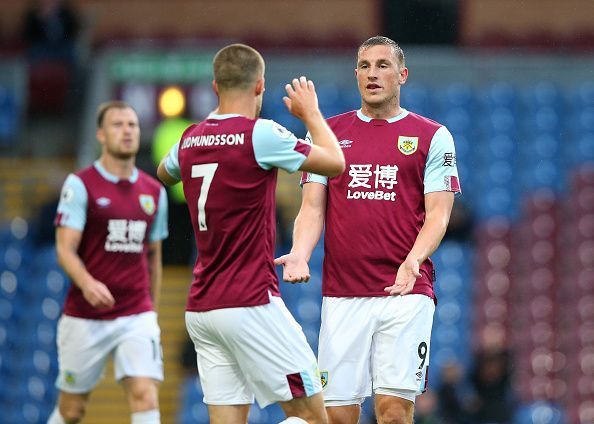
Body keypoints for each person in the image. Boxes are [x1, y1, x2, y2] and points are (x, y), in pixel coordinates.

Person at [275, 36, 462, 424]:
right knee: (339, 414)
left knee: (394, 411)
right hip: (343, 293)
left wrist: (414, 260)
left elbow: (438, 216)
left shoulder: (433, 136)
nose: (372, 73)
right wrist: (299, 252)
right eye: (364, 66)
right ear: (356, 74)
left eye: (382, 65)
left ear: (402, 75)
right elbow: (312, 208)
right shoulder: (327, 135)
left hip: (406, 291)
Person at [157, 43, 345, 424]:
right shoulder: (260, 134)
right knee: (313, 417)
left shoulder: (189, 139)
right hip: (250, 302)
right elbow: (335, 163)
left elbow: (164, 172)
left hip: (202, 309)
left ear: (214, 87)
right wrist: (310, 114)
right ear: (260, 86)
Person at [49, 101, 168, 424]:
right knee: (72, 410)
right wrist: (87, 283)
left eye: (132, 124)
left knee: (145, 393)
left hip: (135, 314)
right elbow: (64, 249)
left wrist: (152, 312)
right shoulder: (80, 185)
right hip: (86, 316)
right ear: (101, 134)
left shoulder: (155, 192)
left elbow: (153, 256)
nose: (127, 131)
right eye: (118, 125)